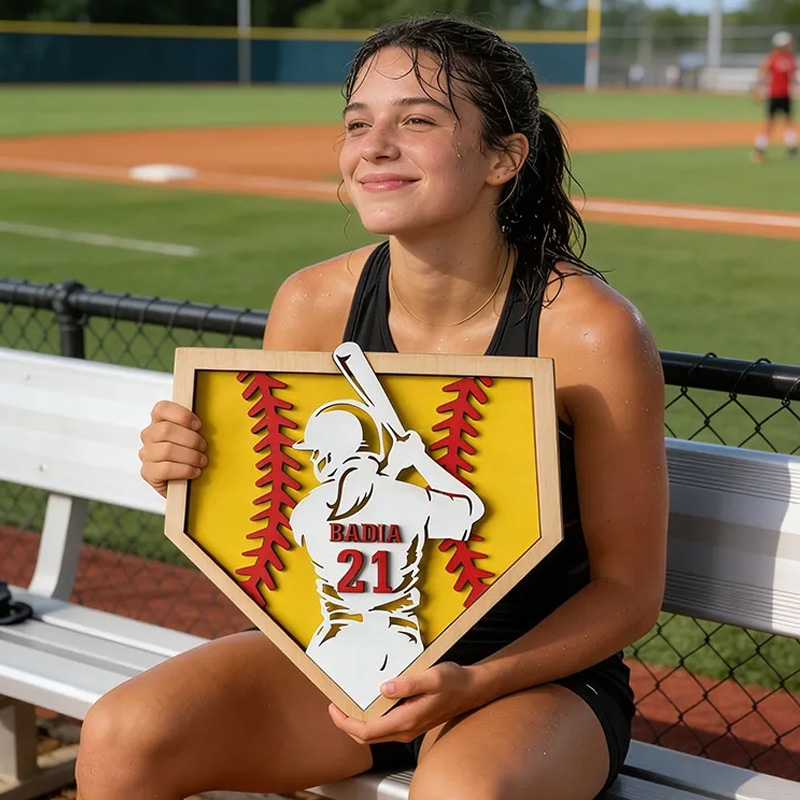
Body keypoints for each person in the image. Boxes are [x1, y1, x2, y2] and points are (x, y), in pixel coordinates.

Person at [77, 17, 668, 800]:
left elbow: (629, 592)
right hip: (347, 655)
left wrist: (476, 679)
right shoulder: (313, 303)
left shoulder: (590, 332)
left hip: (531, 676)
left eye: (417, 120)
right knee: (123, 736)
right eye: (358, 124)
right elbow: (282, 511)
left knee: (463, 794)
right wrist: (187, 472)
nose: (375, 145)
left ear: (504, 156)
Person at [291, 401, 484, 708]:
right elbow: (469, 509)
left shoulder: (306, 510)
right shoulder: (411, 499)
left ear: (332, 453)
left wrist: (394, 469)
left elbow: (356, 510)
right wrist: (418, 460)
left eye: (317, 451)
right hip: (401, 646)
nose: (314, 459)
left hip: (336, 642)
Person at [752, 30, 798, 163]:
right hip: (774, 95)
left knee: (789, 121)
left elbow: (793, 77)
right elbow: (762, 74)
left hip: (786, 96)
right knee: (769, 124)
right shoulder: (773, 58)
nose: (790, 46)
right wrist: (759, 91)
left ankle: (792, 148)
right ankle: (760, 149)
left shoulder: (790, 59)